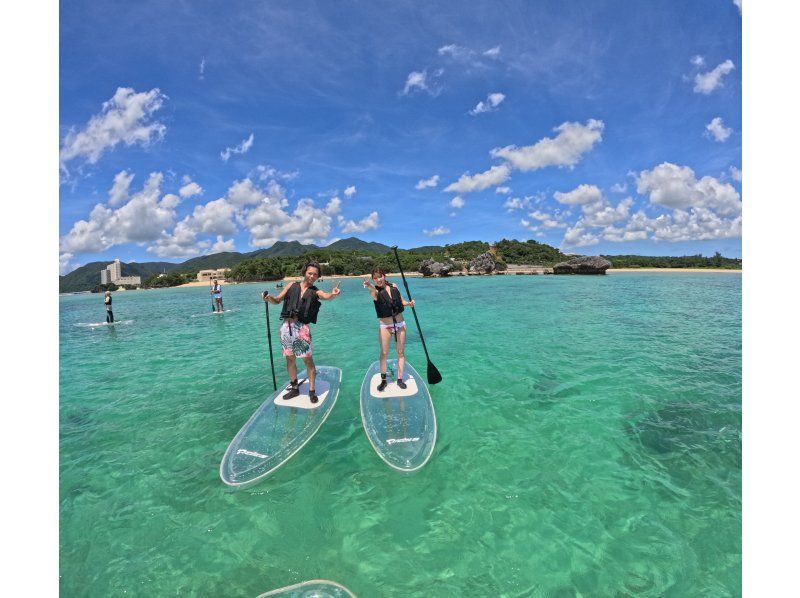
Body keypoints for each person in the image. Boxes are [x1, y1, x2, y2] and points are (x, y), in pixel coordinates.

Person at [262, 261, 341, 404]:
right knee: (290, 359)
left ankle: (311, 390)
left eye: (315, 274)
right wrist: (269, 298)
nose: (312, 276)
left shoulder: (315, 291)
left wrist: (333, 294)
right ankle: (294, 388)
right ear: (305, 272)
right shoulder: (292, 285)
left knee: (307, 360)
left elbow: (326, 296)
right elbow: (278, 300)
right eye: (310, 273)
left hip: (302, 329)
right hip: (286, 327)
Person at [362, 267, 415, 391]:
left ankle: (400, 379)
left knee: (400, 353)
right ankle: (383, 380)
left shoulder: (394, 286)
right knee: (384, 353)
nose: (378, 279)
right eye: (375, 278)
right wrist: (369, 285)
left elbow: (401, 301)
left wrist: (409, 303)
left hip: (400, 323)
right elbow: (372, 292)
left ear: (384, 276)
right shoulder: (375, 291)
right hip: (385, 326)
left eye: (379, 276)